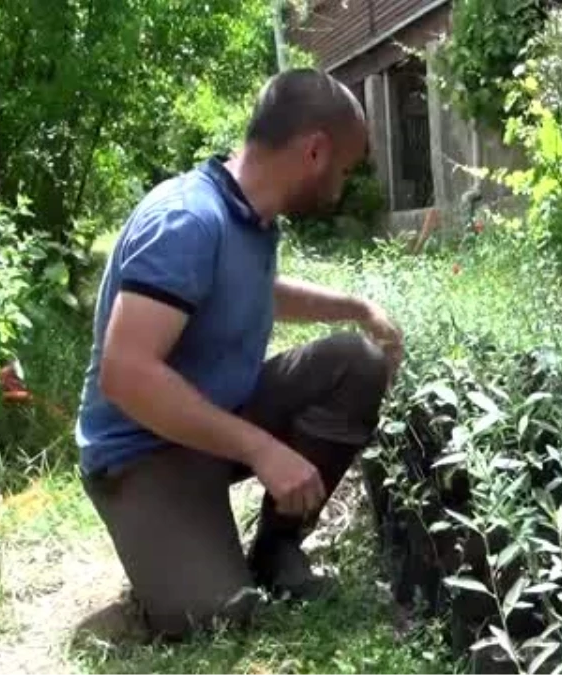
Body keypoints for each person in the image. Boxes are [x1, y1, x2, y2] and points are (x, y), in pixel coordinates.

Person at [73, 68, 404, 641]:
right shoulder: (186, 219)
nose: (342, 186)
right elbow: (125, 375)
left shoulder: (249, 217)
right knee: (216, 616)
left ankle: (276, 552)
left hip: (210, 422)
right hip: (142, 453)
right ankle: (155, 590)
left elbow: (253, 289)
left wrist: (355, 306)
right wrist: (261, 448)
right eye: (345, 169)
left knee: (356, 361)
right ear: (315, 150)